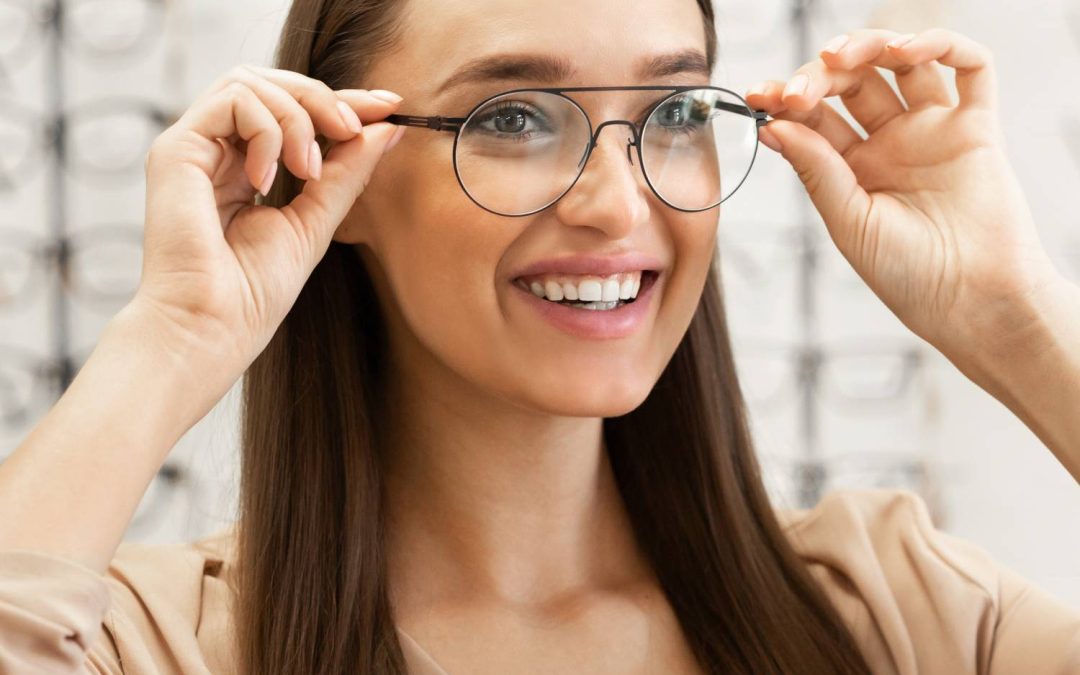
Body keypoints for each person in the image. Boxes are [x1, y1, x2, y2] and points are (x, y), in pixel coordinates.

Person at [0, 0, 1077, 672]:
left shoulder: (901, 614)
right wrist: (174, 331)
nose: (618, 204)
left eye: (677, 113)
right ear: (337, 173)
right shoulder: (154, 643)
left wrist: (1012, 313)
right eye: (514, 117)